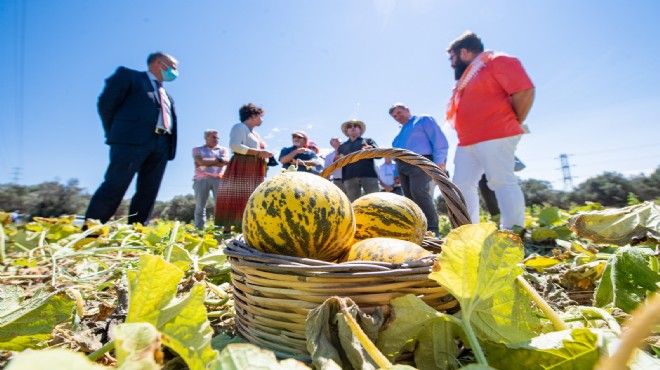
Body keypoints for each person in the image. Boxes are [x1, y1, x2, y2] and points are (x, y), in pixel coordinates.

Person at [446, 31, 535, 230]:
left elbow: (524, 90)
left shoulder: (497, 61)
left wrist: (512, 121)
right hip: (466, 142)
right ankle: (468, 230)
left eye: (452, 57)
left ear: (464, 52)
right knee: (461, 185)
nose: (451, 62)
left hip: (496, 135)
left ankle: (513, 231)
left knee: (501, 181)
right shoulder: (466, 78)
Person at [85, 51, 179, 225]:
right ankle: (91, 231)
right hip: (131, 141)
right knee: (116, 184)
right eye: (173, 66)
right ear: (159, 63)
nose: (175, 70)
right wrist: (115, 133)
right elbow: (106, 104)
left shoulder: (167, 95)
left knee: (148, 191)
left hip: (161, 145)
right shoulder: (130, 77)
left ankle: (137, 231)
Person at [389, 103, 448, 235]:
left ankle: (433, 230)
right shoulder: (397, 136)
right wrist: (396, 172)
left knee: (419, 192)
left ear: (407, 109)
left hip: (420, 161)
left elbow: (439, 140)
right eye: (394, 116)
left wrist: (440, 160)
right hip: (402, 166)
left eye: (399, 112)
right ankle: (417, 230)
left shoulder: (423, 120)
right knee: (409, 198)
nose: (397, 116)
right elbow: (395, 155)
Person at [214, 103, 274, 234]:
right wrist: (258, 153)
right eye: (260, 116)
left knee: (251, 196)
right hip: (242, 165)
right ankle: (227, 230)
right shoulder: (239, 127)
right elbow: (235, 146)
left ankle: (248, 229)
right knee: (235, 194)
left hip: (254, 167)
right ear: (253, 116)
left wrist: (266, 157)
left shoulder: (255, 133)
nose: (262, 119)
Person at [192, 129, 230, 229]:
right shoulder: (197, 149)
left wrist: (206, 161)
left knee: (220, 207)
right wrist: (219, 160)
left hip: (219, 179)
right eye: (213, 137)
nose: (216, 139)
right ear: (206, 138)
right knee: (200, 206)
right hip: (201, 179)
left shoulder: (223, 150)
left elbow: (226, 161)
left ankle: (219, 229)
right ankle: (199, 229)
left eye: (217, 137)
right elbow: (200, 162)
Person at [336, 120, 379, 202]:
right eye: (349, 126)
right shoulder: (342, 146)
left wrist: (371, 150)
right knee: (353, 203)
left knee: (375, 201)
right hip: (349, 178)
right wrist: (339, 158)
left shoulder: (368, 141)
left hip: (369, 176)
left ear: (360, 129)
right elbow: (337, 161)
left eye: (355, 126)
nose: (352, 128)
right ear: (346, 131)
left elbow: (380, 156)